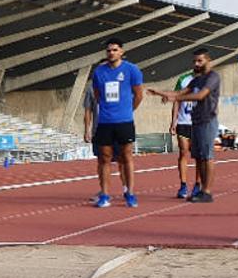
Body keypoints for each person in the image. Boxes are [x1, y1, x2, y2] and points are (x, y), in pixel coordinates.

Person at [148, 49, 220, 203]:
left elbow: (200, 95)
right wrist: (160, 93)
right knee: (199, 157)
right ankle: (200, 190)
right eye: (194, 61)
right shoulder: (196, 80)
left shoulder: (213, 77)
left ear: (208, 60)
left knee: (207, 157)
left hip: (208, 121)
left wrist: (176, 98)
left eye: (199, 61)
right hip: (196, 121)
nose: (196, 64)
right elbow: (180, 92)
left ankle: (207, 191)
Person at [91, 37, 144, 208]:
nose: (111, 53)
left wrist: (128, 111)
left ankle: (129, 193)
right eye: (108, 50)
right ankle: (105, 195)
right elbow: (97, 95)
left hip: (124, 121)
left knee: (126, 156)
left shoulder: (132, 70)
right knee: (104, 158)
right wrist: (108, 110)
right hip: (105, 121)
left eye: (114, 50)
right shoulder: (99, 72)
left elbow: (138, 95)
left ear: (121, 52)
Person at [83, 62, 125, 202]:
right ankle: (103, 191)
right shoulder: (91, 88)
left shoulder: (119, 85)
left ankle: (126, 189)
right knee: (101, 162)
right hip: (99, 130)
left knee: (121, 160)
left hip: (117, 128)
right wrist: (87, 130)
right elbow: (88, 111)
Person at [170, 69, 202, 199]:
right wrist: (173, 122)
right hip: (183, 122)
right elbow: (176, 100)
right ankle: (183, 185)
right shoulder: (183, 79)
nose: (197, 64)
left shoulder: (208, 80)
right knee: (183, 152)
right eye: (195, 61)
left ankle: (197, 184)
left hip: (198, 123)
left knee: (198, 156)